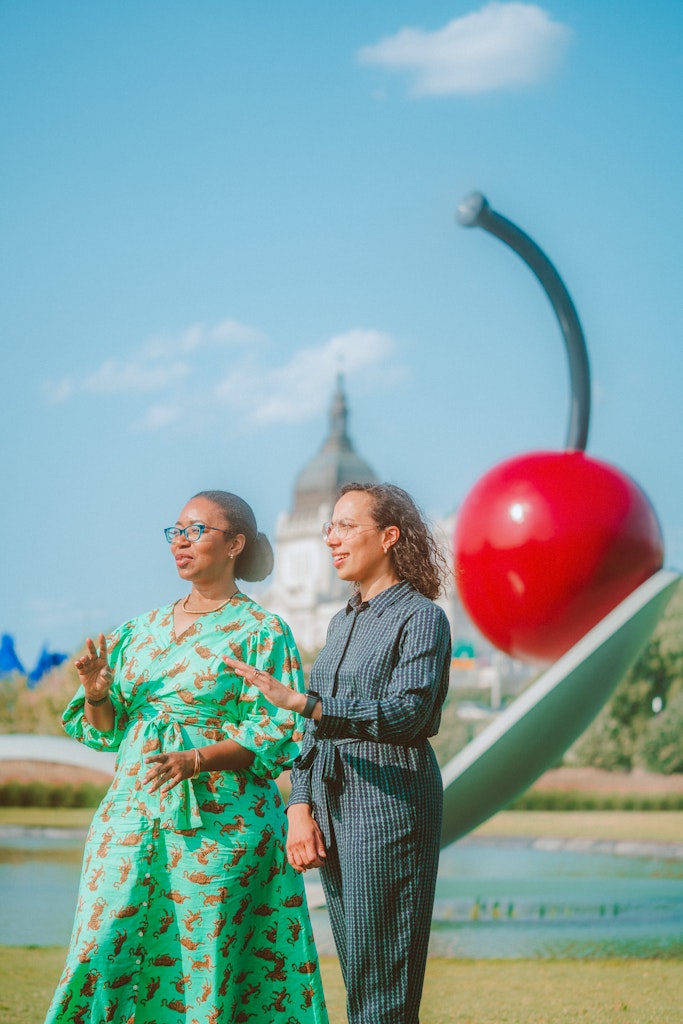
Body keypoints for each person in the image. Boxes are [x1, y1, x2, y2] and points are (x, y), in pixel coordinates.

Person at [45, 490, 329, 1024]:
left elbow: (274, 731)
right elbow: (105, 731)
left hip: (220, 828)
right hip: (131, 812)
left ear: (234, 545)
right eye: (175, 530)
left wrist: (194, 760)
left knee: (207, 964)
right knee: (99, 946)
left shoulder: (263, 632)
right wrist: (96, 692)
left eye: (196, 530)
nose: (181, 541)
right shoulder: (138, 630)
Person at [226, 482, 452, 1024]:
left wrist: (308, 703)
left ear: (389, 537)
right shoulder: (342, 620)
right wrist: (299, 807)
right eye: (329, 526)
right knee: (359, 977)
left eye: (346, 526)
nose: (331, 538)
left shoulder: (421, 618)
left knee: (384, 988)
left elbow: (408, 715)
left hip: (389, 807)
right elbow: (314, 732)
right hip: (332, 810)